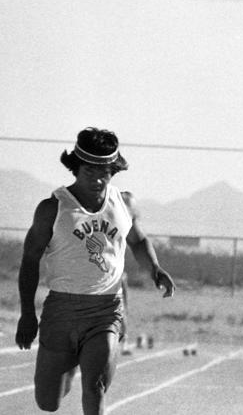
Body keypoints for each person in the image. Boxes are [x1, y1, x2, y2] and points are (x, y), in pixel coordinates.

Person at [16, 127, 175, 415]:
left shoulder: (124, 203)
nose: (99, 178)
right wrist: (28, 313)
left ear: (114, 170)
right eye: (90, 170)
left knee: (96, 386)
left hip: (106, 309)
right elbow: (29, 261)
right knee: (48, 401)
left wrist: (155, 268)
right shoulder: (53, 209)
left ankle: (86, 360)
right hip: (61, 310)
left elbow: (138, 241)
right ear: (76, 167)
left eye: (105, 171)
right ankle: (70, 365)